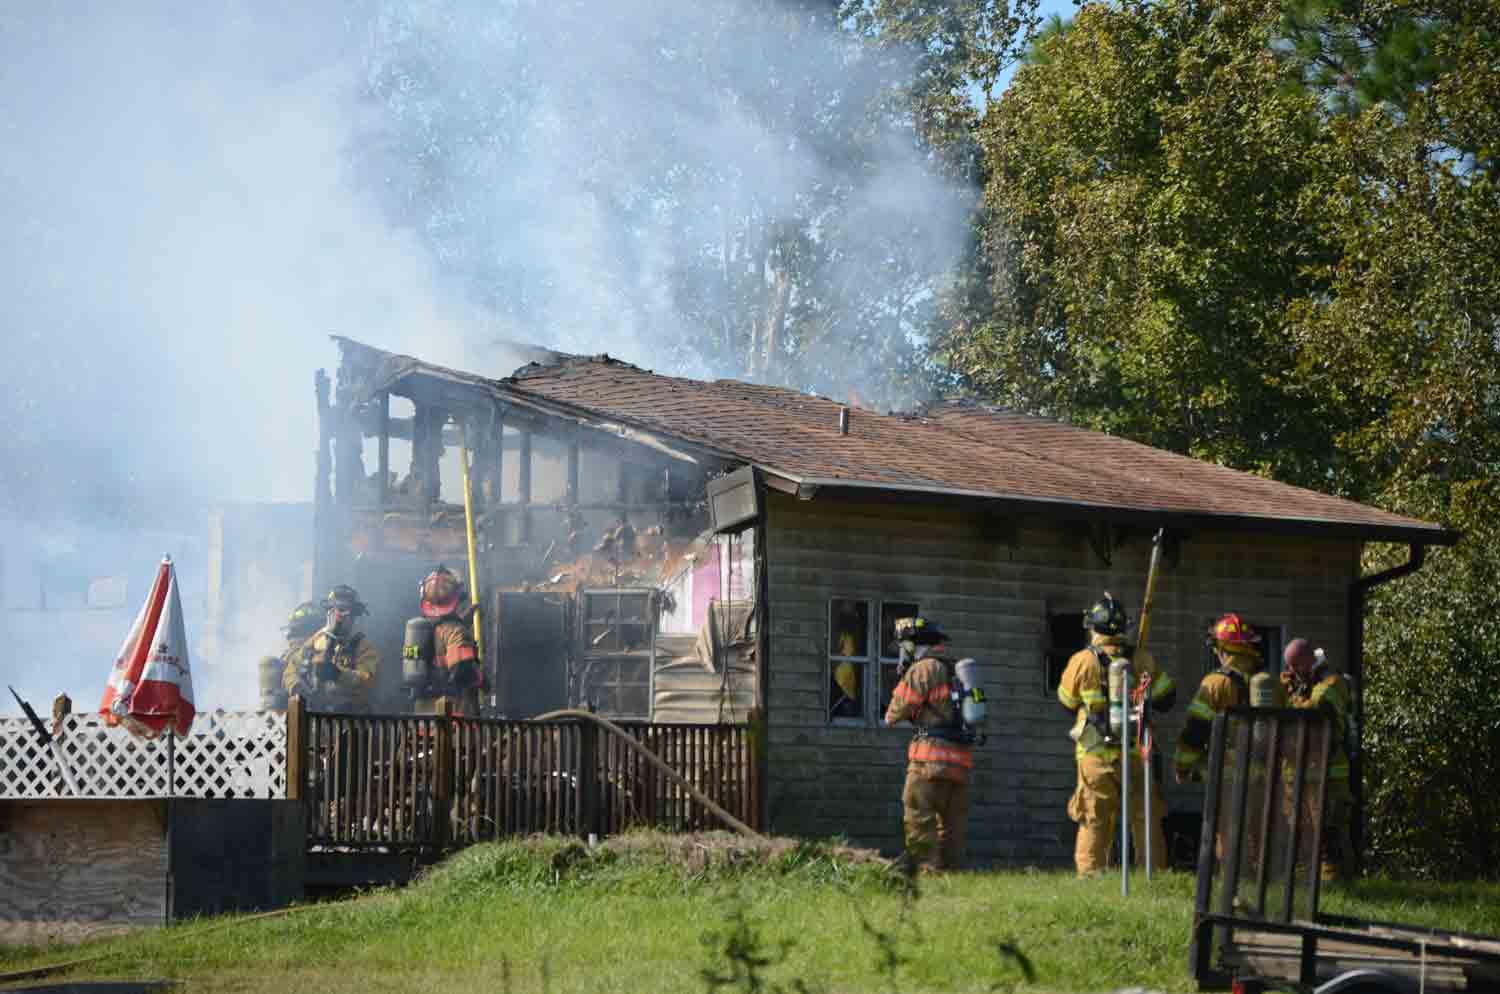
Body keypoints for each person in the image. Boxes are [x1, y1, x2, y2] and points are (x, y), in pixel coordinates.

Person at [1057, 593, 1177, 876]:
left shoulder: (1082, 661)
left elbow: (1066, 702)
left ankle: (1090, 878)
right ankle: (1154, 877)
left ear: (1093, 627)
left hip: (1095, 755)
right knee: (1145, 818)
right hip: (1136, 753)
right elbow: (1167, 699)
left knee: (1094, 818)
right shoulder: (1142, 657)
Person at [882, 616, 974, 872]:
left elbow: (894, 713)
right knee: (953, 827)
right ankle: (952, 876)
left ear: (912, 645)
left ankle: (926, 874)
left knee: (919, 817)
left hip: (929, 761)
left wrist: (901, 681)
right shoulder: (955, 668)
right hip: (960, 762)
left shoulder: (923, 669)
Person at [1281, 638, 1356, 881]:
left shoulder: (1331, 684)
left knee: (1329, 836)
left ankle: (1339, 887)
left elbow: (1313, 714)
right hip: (1308, 776)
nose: (1290, 673)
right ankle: (1307, 886)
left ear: (1306, 662)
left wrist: (1290, 696)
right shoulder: (1308, 682)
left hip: (1330, 776)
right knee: (1304, 837)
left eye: (1293, 667)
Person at [282, 585, 379, 713]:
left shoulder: (364, 648)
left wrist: (338, 675)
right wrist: (299, 689)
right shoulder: (316, 640)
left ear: (354, 616)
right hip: (314, 718)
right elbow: (290, 671)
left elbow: (367, 683)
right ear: (329, 612)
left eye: (345, 611)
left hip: (349, 720)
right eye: (335, 609)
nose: (339, 616)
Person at [414, 566, 483, 716]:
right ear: (458, 598)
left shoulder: (420, 628)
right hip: (452, 714)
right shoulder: (456, 631)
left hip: (423, 713)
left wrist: (462, 622)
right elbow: (462, 671)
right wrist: (482, 679)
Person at [260, 601, 323, 710]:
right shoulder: (284, 659)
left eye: (298, 632)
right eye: (293, 632)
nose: (291, 638)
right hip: (288, 713)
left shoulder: (320, 654)